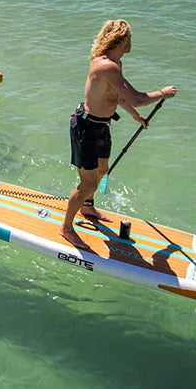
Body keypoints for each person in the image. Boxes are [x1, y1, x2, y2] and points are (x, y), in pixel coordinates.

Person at [61, 19, 177, 239]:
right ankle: (66, 228)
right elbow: (136, 97)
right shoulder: (105, 65)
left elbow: (118, 97)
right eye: (129, 39)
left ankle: (87, 207)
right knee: (88, 183)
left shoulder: (115, 65)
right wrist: (161, 93)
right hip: (86, 128)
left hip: (102, 127)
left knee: (102, 170)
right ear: (122, 41)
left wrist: (135, 115)